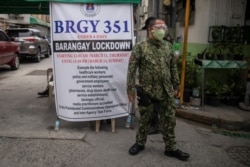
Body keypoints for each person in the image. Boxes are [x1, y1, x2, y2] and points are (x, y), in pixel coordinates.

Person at [126, 17, 190, 161]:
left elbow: (172, 66)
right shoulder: (140, 47)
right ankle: (140, 143)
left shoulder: (168, 46)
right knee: (145, 120)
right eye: (159, 27)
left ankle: (171, 148)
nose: (162, 30)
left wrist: (177, 84)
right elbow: (131, 70)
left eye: (164, 27)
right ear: (150, 29)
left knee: (169, 120)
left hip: (166, 90)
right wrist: (130, 89)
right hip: (147, 91)